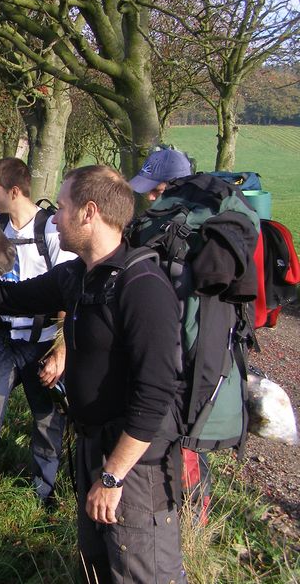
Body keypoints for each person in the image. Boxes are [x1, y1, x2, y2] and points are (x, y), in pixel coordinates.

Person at [0, 165, 188, 583]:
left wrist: (113, 474)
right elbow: (5, 295)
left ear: (89, 212)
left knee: (140, 569)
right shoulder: (79, 275)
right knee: (96, 568)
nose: (55, 215)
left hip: (133, 466)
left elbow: (157, 393)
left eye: (63, 206)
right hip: (92, 449)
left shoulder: (143, 286)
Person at [0, 158, 74, 502]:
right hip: (4, 340)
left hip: (45, 343)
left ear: (15, 191)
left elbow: (69, 293)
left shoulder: (50, 229)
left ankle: (45, 492)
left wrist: (62, 352)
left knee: (46, 420)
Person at [131, 147, 213, 526]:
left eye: (154, 188)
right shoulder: (168, 223)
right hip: (176, 348)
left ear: (175, 185)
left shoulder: (180, 230)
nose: (148, 196)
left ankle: (193, 521)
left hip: (182, 355)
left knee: (184, 438)